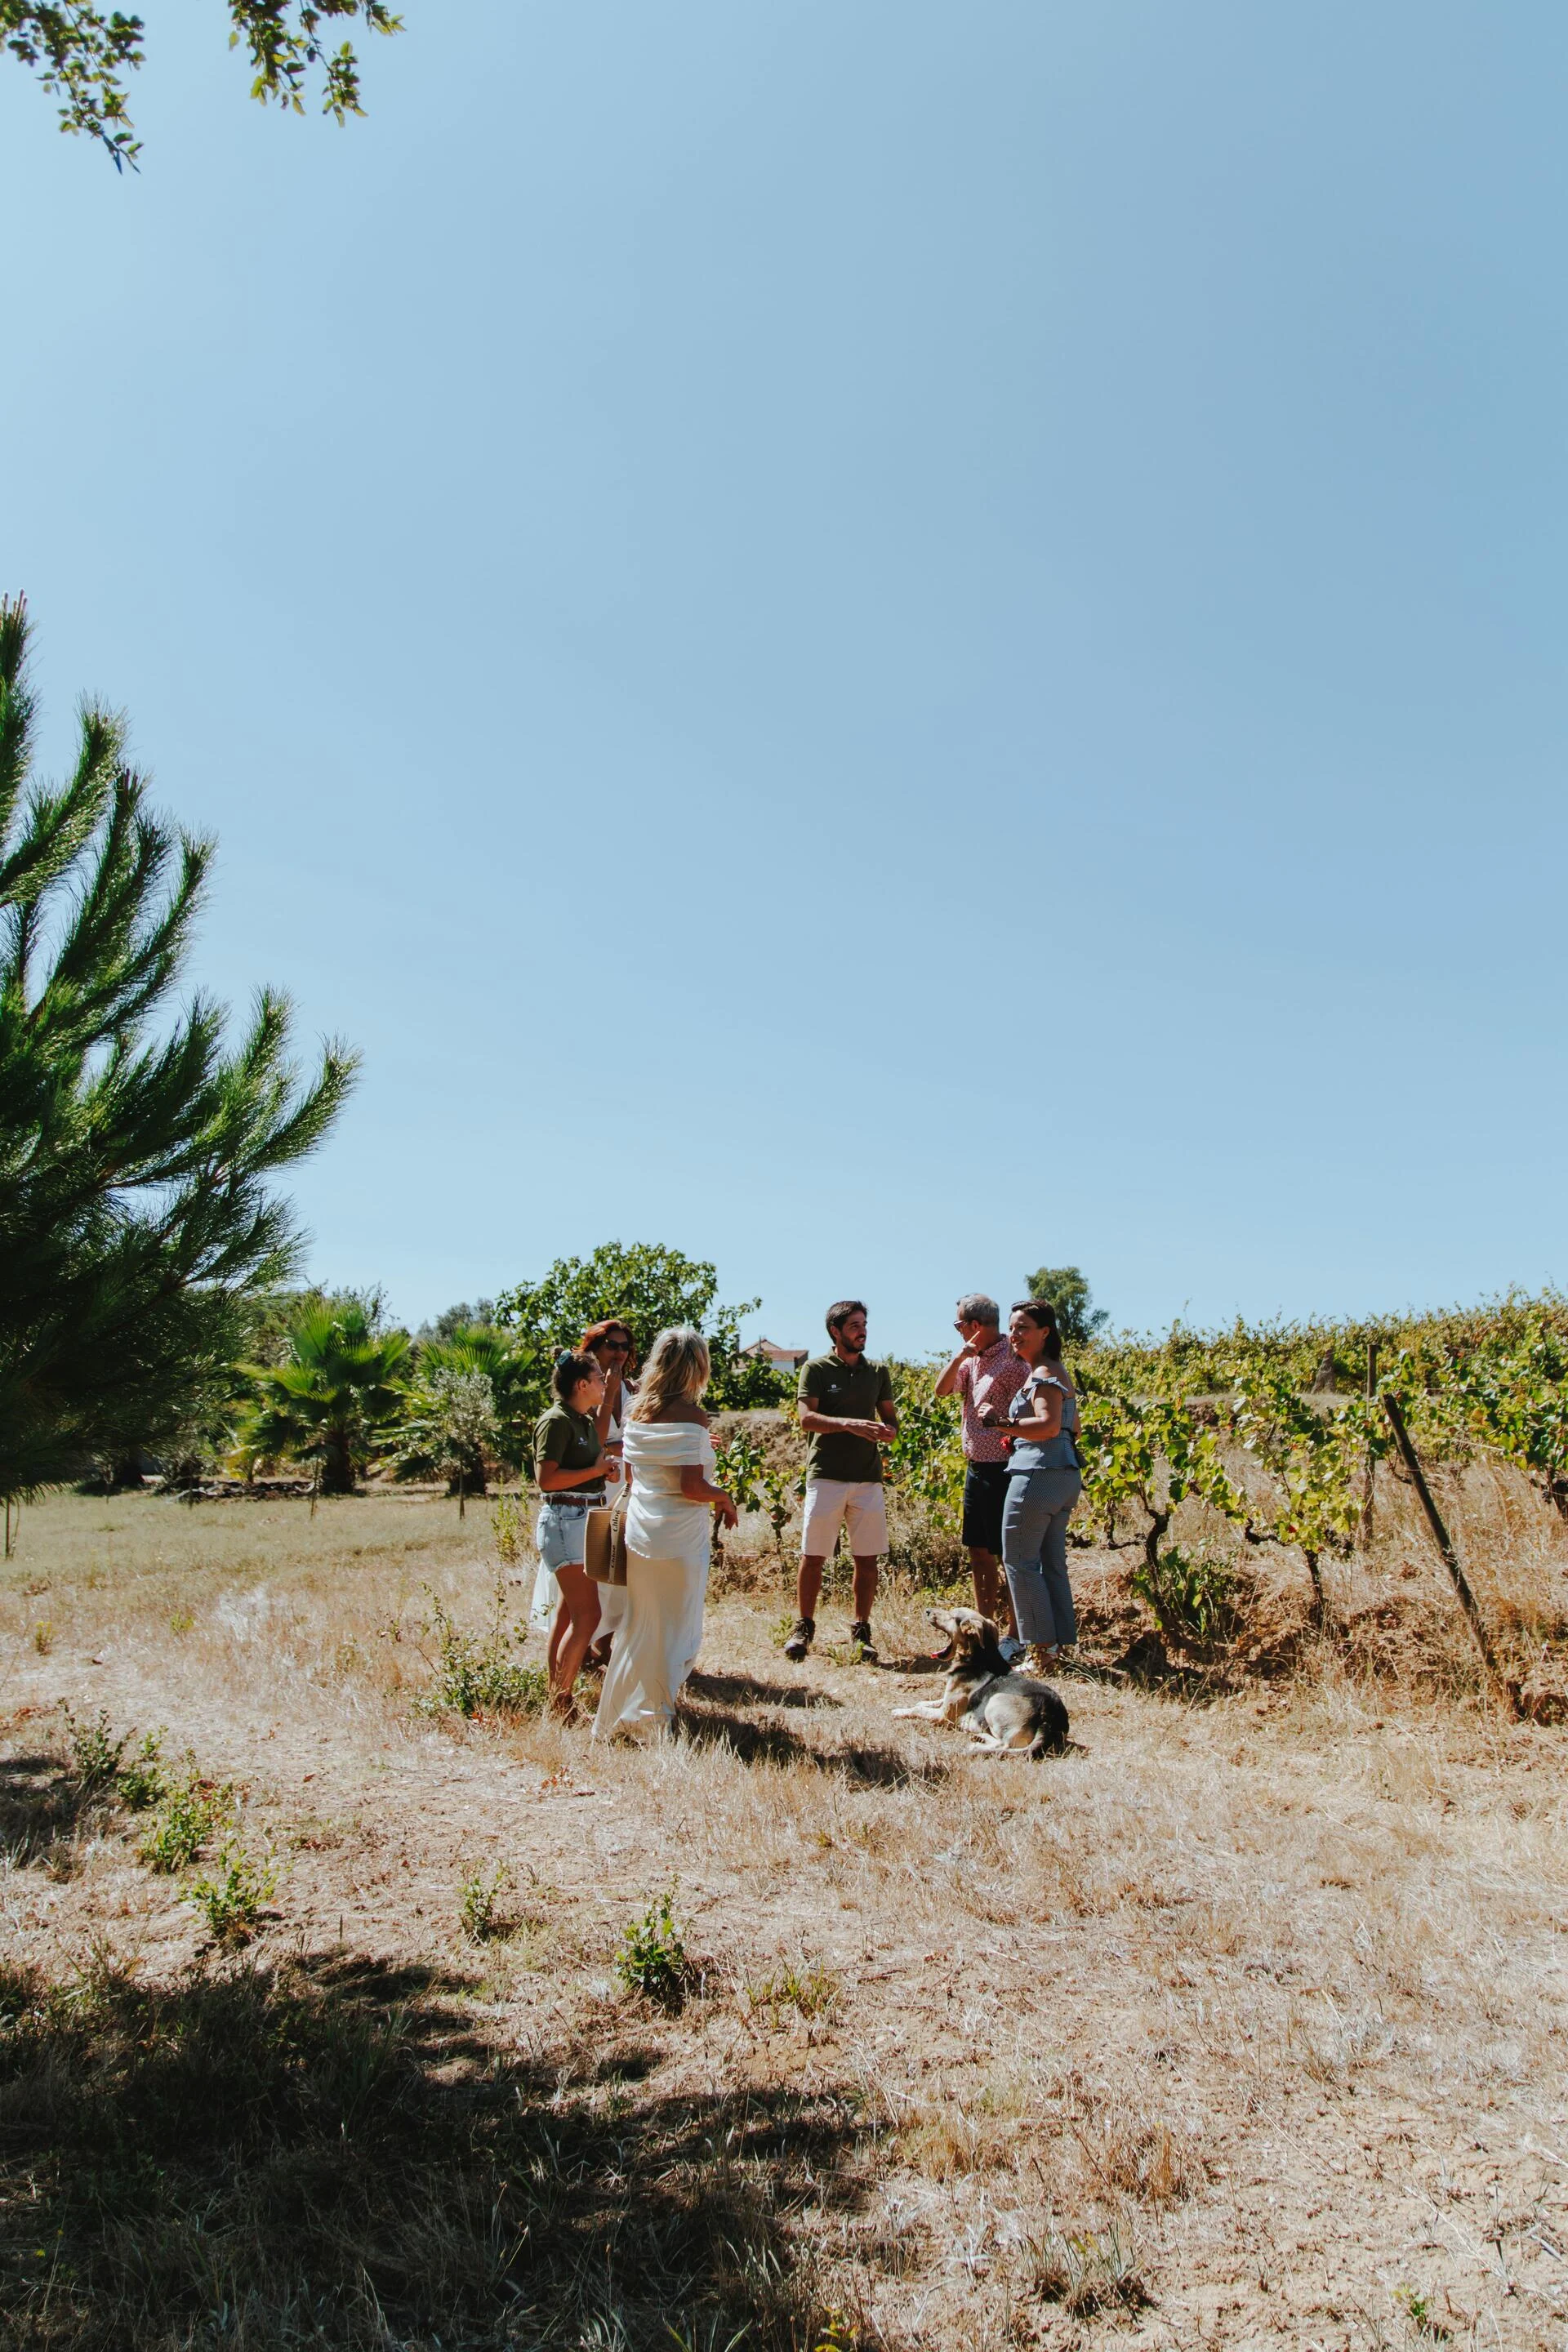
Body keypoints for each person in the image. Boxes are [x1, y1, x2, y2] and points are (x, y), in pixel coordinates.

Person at [593, 1325, 738, 1742]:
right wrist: (725, 1497)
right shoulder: (693, 1416)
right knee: (675, 1627)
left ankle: (621, 1715)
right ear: (697, 1367)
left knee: (640, 1625)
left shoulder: (635, 1412)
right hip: (678, 1536)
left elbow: (637, 1478)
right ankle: (656, 1717)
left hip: (641, 1530)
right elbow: (692, 1488)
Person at [785, 1300, 898, 1663]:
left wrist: (887, 1432)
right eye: (854, 1325)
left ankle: (861, 1630)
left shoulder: (878, 1371)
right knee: (813, 1555)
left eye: (864, 1324)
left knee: (867, 1560)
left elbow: (891, 1421)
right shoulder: (815, 1369)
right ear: (835, 1331)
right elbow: (807, 1419)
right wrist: (849, 1423)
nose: (862, 1331)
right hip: (826, 1475)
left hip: (867, 1478)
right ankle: (803, 1627)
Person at [983, 1298, 1082, 1672]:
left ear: (1046, 1332)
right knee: (1051, 1563)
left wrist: (1000, 1424)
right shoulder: (1056, 1371)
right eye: (1012, 1327)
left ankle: (1042, 1652)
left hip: (1036, 1474)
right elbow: (1070, 1429)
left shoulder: (1042, 1373)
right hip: (1063, 1473)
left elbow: (1048, 1425)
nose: (1014, 1335)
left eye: (1023, 1327)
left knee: (1020, 1563)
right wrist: (1018, 1435)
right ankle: (1055, 1650)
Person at [933, 1293, 1027, 1655]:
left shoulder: (1015, 1360)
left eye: (959, 1325)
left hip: (1005, 1467)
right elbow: (942, 1390)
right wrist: (960, 1356)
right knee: (978, 1552)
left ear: (974, 1326)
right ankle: (983, 1631)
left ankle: (1017, 1635)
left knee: (1008, 1553)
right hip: (977, 1468)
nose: (957, 1331)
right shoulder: (972, 1361)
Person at [532, 1352, 619, 1717]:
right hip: (566, 1520)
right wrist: (595, 1471)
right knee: (589, 1616)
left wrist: (604, 1473)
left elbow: (586, 1467)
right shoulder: (555, 1422)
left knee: (569, 1615)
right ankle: (560, 1701)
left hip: (585, 1517)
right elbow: (546, 1480)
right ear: (581, 1385)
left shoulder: (581, 1421)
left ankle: (557, 1699)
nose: (604, 1383)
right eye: (599, 1377)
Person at [578, 1319, 637, 1667]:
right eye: (612, 1345)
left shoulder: (633, 1388)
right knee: (590, 1566)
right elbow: (591, 1443)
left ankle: (606, 1644)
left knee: (618, 1568)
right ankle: (582, 1646)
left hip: (625, 1485)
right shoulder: (582, 1386)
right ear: (595, 1348)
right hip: (591, 1487)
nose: (619, 1352)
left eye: (624, 1346)